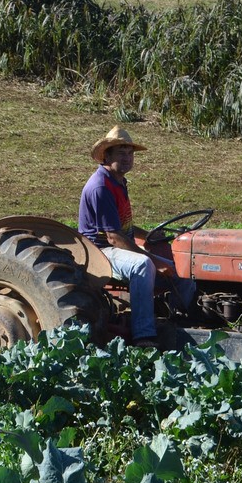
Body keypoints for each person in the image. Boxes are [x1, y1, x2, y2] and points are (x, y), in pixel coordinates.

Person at [78, 126, 196, 347]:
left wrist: (148, 235)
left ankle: (179, 322)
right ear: (106, 155)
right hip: (100, 252)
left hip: (116, 247)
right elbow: (113, 237)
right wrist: (154, 260)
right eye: (121, 153)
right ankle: (144, 336)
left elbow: (123, 226)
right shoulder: (100, 187)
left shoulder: (118, 182)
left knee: (183, 270)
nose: (127, 158)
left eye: (130, 153)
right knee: (142, 265)